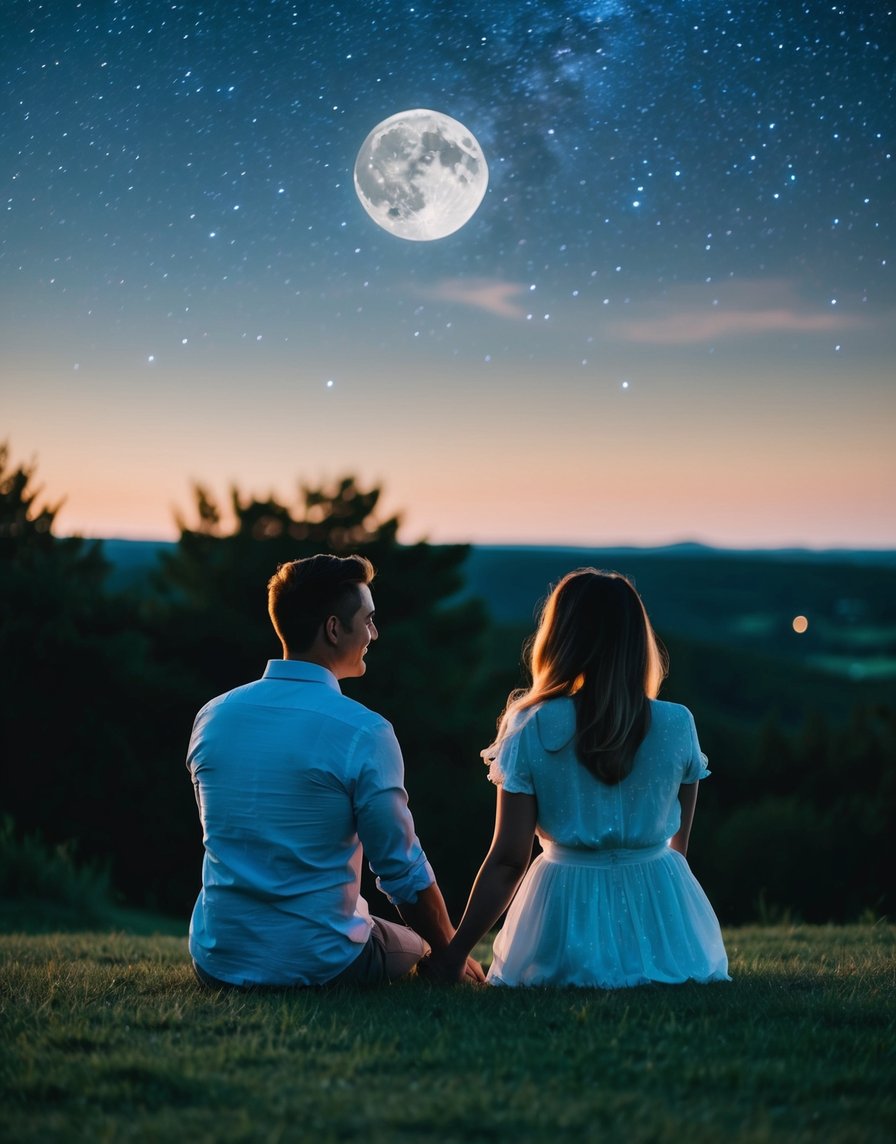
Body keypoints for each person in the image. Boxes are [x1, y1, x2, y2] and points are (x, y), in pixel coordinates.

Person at [422, 568, 730, 988]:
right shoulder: (678, 723)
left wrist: (456, 953)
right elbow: (679, 851)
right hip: (665, 924)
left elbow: (510, 859)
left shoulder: (530, 724)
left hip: (565, 920)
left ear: (561, 639)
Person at [187, 553, 484, 989]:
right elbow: (401, 868)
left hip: (217, 959)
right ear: (333, 628)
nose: (374, 633)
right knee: (416, 946)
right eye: (367, 621)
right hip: (320, 960)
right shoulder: (364, 731)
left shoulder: (212, 716)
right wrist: (450, 950)